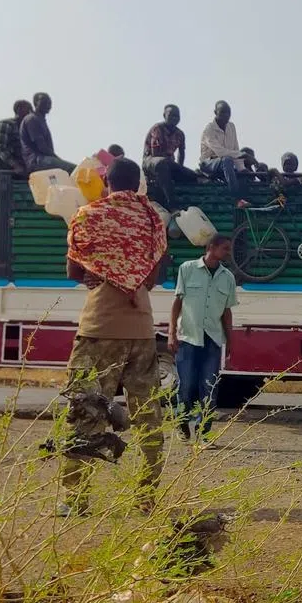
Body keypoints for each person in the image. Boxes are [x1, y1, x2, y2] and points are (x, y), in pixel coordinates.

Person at [60, 157, 168, 516]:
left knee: (86, 410)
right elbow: (153, 277)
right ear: (138, 184)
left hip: (100, 326)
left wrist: (100, 273)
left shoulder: (89, 215)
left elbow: (73, 270)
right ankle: (146, 497)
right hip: (141, 328)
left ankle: (76, 499)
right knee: (148, 414)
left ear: (107, 182)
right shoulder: (152, 219)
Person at [168, 234, 238, 442]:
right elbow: (177, 303)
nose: (228, 252)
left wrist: (230, 341)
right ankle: (182, 424)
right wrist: (171, 333)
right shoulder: (187, 269)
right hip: (188, 338)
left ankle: (204, 432)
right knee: (186, 385)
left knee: (209, 388)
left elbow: (227, 312)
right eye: (225, 248)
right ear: (212, 247)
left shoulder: (228, 277)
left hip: (212, 340)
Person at [143, 105, 198, 210]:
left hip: (170, 164)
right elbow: (155, 153)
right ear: (164, 115)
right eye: (171, 115)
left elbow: (181, 153)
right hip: (151, 162)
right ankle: (172, 204)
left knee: (193, 176)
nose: (174, 118)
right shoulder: (157, 128)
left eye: (177, 116)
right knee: (162, 163)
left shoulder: (180, 134)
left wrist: (180, 168)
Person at [199, 101, 253, 198]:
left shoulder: (231, 127)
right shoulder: (209, 129)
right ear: (215, 112)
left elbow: (235, 148)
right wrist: (241, 154)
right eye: (223, 112)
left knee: (243, 173)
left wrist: (241, 168)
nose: (226, 115)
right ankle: (236, 198)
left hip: (227, 165)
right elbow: (220, 152)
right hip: (208, 164)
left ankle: (246, 200)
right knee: (227, 160)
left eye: (228, 113)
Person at [21, 93, 75, 173]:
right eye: (44, 101)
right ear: (36, 103)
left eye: (49, 102)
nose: (47, 104)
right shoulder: (32, 119)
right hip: (36, 160)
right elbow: (41, 146)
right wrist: (58, 159)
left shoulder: (41, 120)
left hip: (44, 158)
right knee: (75, 170)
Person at [0, 99, 32, 176]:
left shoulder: (24, 130)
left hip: (20, 168)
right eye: (28, 110)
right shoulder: (6, 124)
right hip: (4, 167)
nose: (30, 114)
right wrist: (15, 165)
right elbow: (0, 149)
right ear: (18, 110)